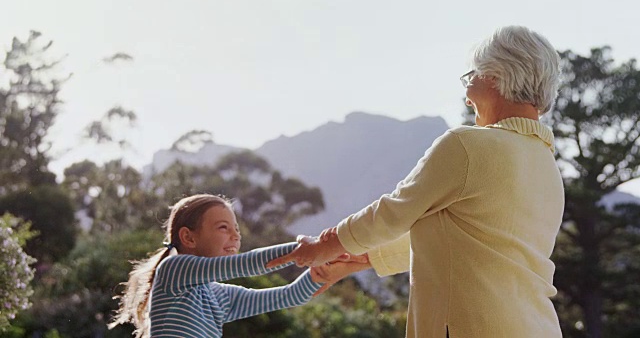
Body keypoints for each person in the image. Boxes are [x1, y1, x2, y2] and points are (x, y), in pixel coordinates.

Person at [267, 25, 565, 338]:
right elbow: (456, 233)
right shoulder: (547, 168)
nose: (467, 96)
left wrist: (323, 246)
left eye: (471, 77)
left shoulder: (468, 145)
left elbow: (395, 212)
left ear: (493, 75)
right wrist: (360, 259)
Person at [109, 193, 367, 338]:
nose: (235, 236)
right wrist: (308, 250)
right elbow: (247, 265)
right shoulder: (174, 270)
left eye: (237, 230)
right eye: (223, 228)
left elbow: (288, 296)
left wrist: (317, 275)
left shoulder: (218, 296)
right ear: (189, 237)